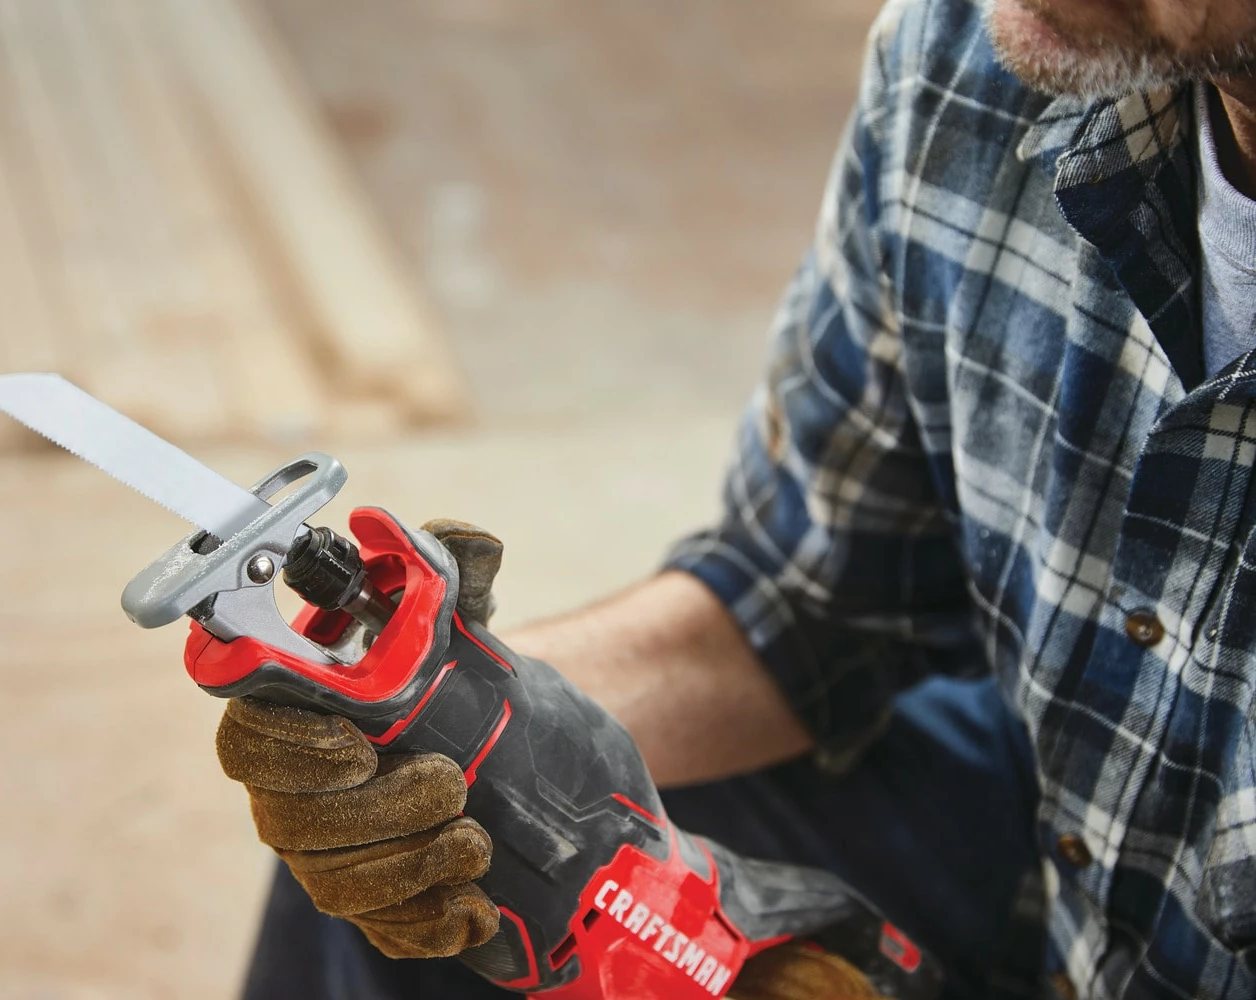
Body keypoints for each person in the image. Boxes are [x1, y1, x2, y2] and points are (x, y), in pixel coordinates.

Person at [221, 0, 1256, 995]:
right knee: (432, 849)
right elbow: (803, 599)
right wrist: (465, 710)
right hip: (1053, 828)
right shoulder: (970, 57)